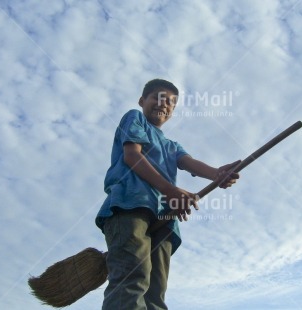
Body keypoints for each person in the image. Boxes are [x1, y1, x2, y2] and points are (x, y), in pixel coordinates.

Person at [96, 79, 240, 310]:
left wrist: (217, 174)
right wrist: (171, 190)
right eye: (157, 97)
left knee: (155, 292)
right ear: (142, 101)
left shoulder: (172, 145)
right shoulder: (135, 118)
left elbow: (189, 163)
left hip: (164, 216)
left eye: (171, 103)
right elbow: (132, 156)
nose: (164, 104)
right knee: (132, 278)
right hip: (130, 207)